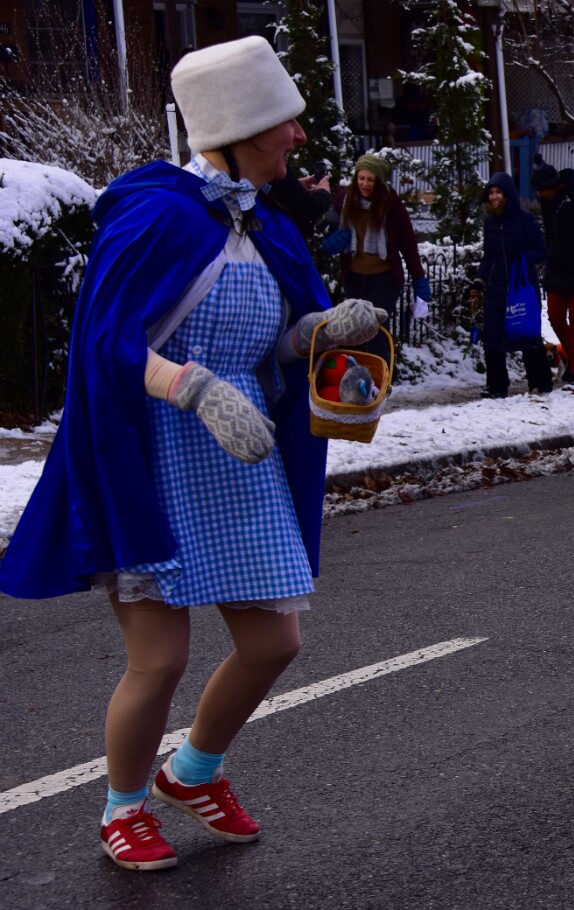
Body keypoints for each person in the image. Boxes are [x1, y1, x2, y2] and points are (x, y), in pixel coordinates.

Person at [0, 36, 383, 871]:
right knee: (161, 657)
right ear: (243, 125)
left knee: (274, 644)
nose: (299, 138)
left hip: (238, 462)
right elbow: (108, 350)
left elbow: (264, 348)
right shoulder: (154, 214)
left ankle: (194, 772)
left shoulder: (265, 223)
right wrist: (194, 389)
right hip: (149, 458)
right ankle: (123, 808)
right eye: (285, 123)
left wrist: (315, 334)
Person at [322, 153, 431, 358]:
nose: (365, 184)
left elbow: (407, 244)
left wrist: (418, 278)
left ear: (379, 182)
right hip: (354, 276)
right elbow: (327, 232)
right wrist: (332, 243)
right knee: (355, 329)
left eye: (370, 180)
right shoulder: (344, 201)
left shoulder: (391, 205)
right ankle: (361, 378)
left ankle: (382, 378)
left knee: (375, 328)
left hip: (384, 278)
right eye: (361, 178)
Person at [474, 172, 552, 397]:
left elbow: (541, 252)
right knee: (493, 335)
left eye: (498, 192)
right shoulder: (489, 222)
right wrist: (479, 281)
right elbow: (488, 256)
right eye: (491, 193)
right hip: (498, 286)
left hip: (522, 285)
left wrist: (522, 256)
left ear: (508, 194)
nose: (494, 197)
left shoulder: (524, 220)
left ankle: (541, 381)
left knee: (527, 333)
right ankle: (497, 386)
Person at [532, 157, 574, 385]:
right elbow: (550, 234)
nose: (540, 196)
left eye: (542, 191)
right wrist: (548, 257)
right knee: (554, 316)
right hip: (556, 268)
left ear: (553, 186)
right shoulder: (547, 201)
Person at [268, 164, 332, 238]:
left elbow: (279, 188)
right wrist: (325, 192)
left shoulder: (264, 174)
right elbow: (311, 208)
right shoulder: (275, 166)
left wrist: (296, 185)